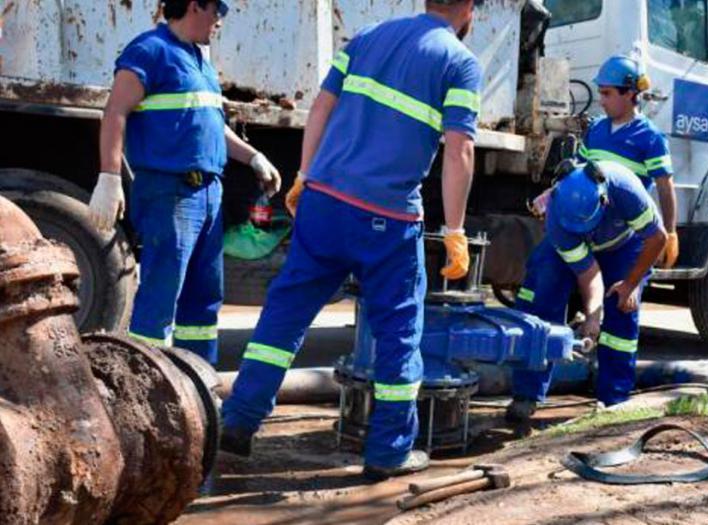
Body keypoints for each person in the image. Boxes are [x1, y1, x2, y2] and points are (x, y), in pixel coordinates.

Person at [219, 0, 484, 481]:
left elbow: (321, 107)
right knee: (397, 334)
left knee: (284, 317)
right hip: (387, 218)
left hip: (323, 202)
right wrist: (454, 230)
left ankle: (238, 422)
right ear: (468, 7)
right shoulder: (459, 62)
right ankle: (388, 452)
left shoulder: (367, 38)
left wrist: (305, 175)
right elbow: (459, 151)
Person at [89, 0, 281, 364]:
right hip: (170, 193)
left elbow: (210, 122)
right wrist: (109, 177)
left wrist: (252, 157)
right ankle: (146, 382)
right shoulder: (150, 50)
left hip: (208, 193)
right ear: (196, 6)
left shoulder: (198, 59)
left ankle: (197, 381)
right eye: (218, 11)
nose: (220, 22)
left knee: (204, 299)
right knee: (162, 295)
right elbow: (115, 111)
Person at [506, 161, 668, 422]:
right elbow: (588, 272)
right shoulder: (558, 217)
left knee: (622, 308)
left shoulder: (625, 190)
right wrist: (593, 316)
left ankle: (614, 402)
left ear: (604, 201)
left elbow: (657, 239)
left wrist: (630, 283)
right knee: (541, 296)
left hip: (624, 246)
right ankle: (527, 393)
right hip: (575, 248)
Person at [535, 54, 679, 269]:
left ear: (630, 93)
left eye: (606, 94)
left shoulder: (651, 138)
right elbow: (576, 172)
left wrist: (669, 233)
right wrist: (551, 196)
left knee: (617, 300)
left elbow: (665, 188)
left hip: (623, 240)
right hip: (586, 230)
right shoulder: (596, 129)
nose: (601, 100)